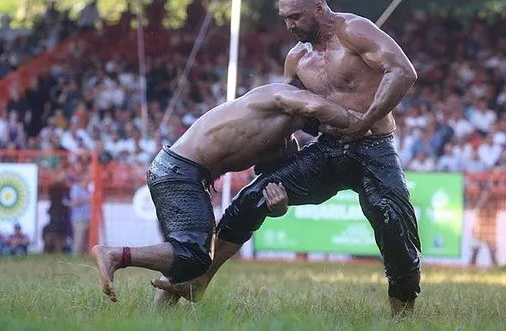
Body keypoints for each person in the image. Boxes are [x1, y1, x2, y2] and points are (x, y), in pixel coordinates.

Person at [153, 0, 421, 315]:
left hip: (374, 147)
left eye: (295, 16)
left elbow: (403, 71)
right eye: (284, 18)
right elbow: (289, 120)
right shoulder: (296, 59)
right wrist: (277, 171)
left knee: (393, 222)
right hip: (328, 149)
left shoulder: (355, 30)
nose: (290, 25)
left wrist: (366, 120)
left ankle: (403, 316)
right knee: (251, 199)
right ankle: (199, 280)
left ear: (319, 9)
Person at [91, 81, 359, 303]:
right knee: (195, 256)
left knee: (186, 261)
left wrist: (280, 207)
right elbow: (314, 105)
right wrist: (356, 120)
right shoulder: (280, 95)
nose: (322, 128)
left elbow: (267, 188)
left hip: (189, 175)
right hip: (179, 169)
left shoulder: (287, 143)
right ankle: (115, 255)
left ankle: (158, 323)